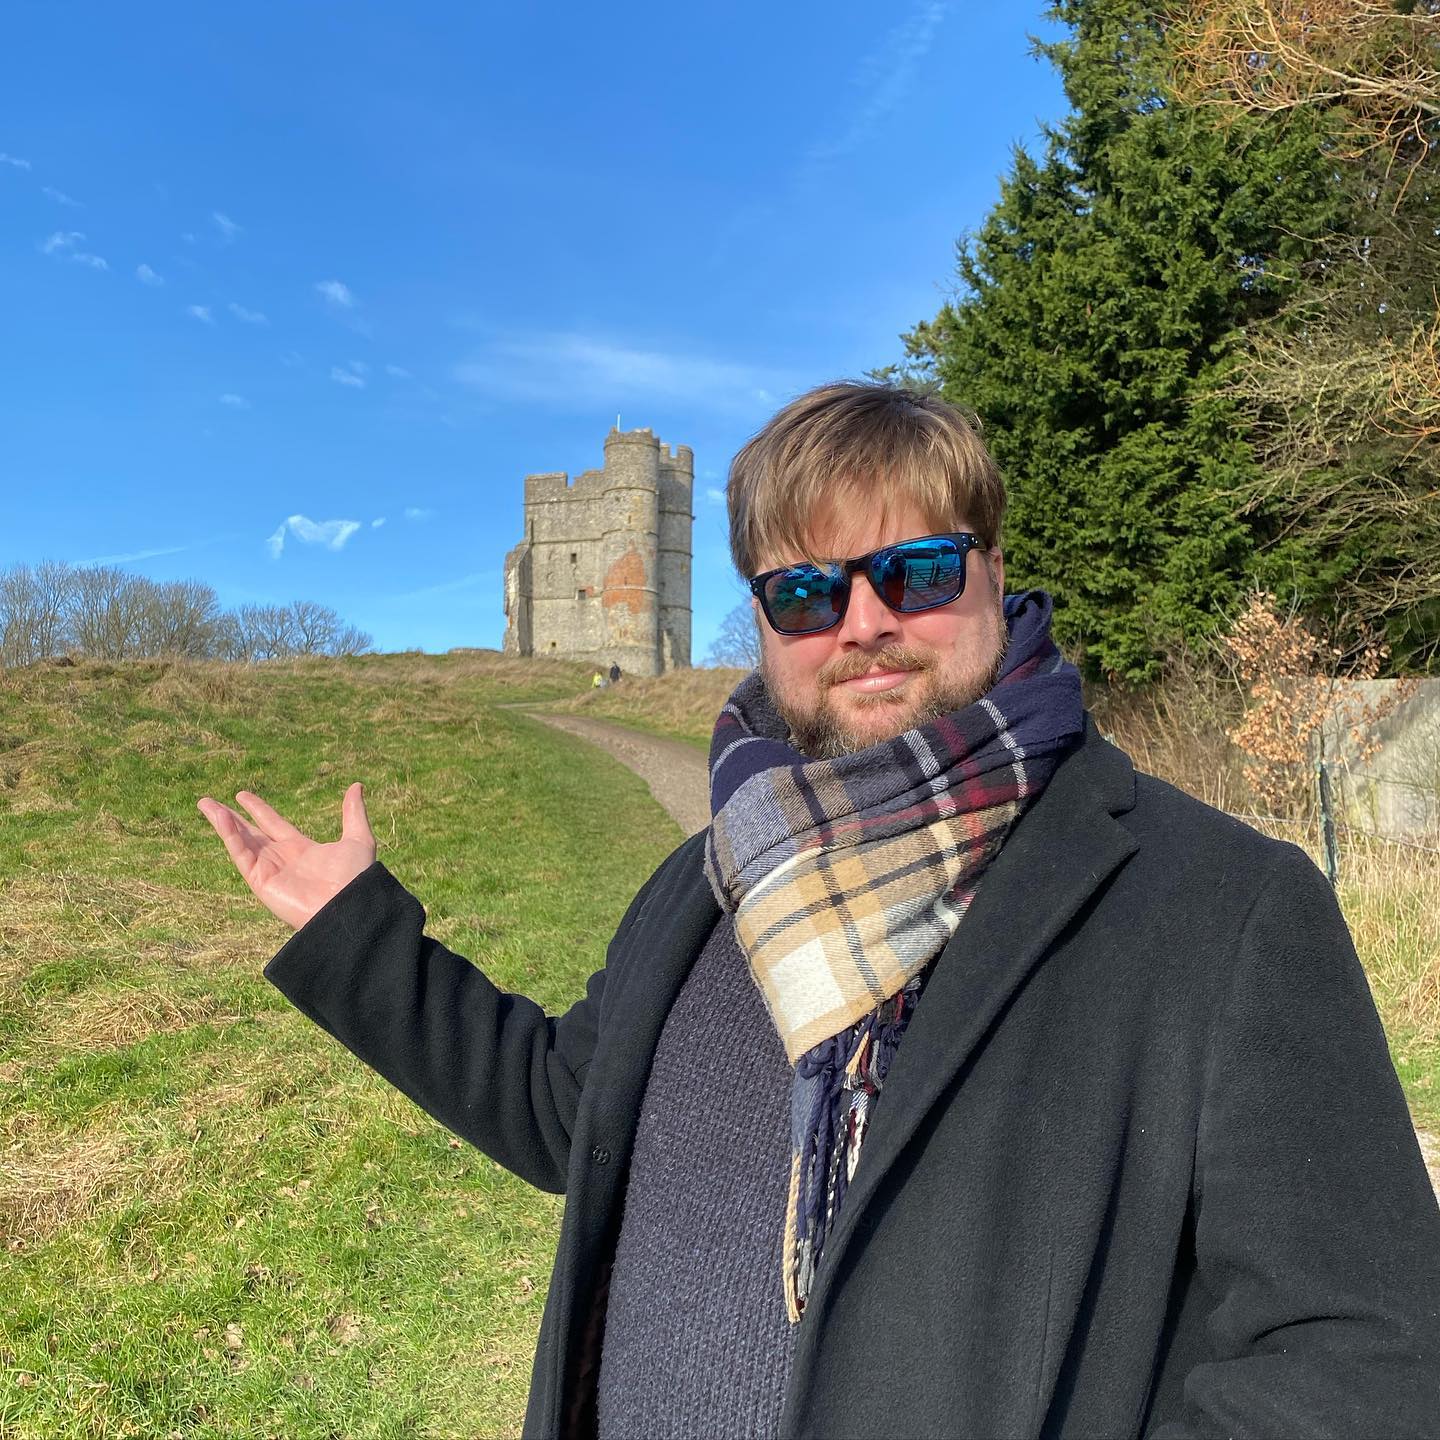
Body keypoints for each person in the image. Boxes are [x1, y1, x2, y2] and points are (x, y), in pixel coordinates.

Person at [197, 382, 1440, 1439]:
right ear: (763, 622)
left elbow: (1364, 1357)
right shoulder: (711, 877)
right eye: (805, 592)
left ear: (995, 573)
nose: (864, 622)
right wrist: (356, 935)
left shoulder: (1219, 906)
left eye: (917, 569)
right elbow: (566, 1111)